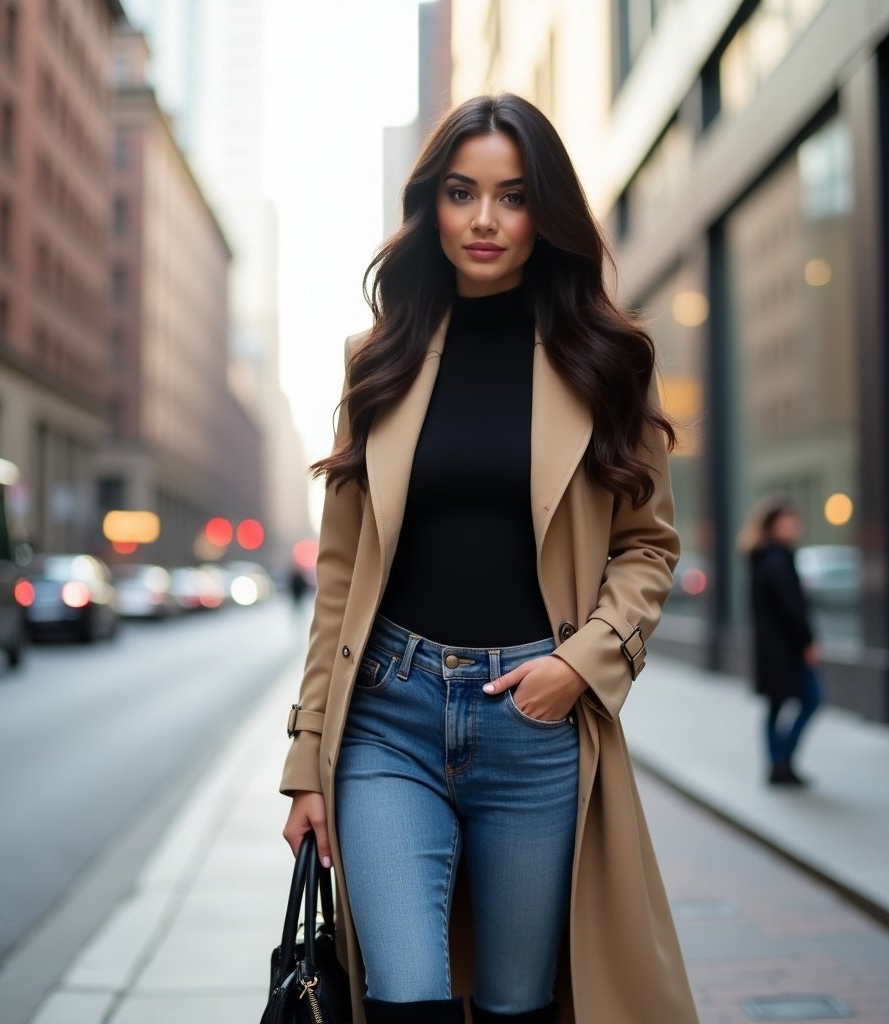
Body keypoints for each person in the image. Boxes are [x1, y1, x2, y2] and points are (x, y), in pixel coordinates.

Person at [280, 94, 698, 1024]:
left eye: (511, 197)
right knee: (404, 996)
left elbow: (648, 545)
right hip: (388, 714)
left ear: (543, 214)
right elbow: (340, 575)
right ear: (431, 205)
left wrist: (578, 667)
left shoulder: (611, 359)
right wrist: (308, 759)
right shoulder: (376, 361)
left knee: (519, 1001)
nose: (483, 220)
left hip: (535, 723)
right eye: (461, 192)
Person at [739, 496, 822, 786]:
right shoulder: (777, 560)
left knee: (776, 706)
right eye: (788, 521)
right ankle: (782, 762)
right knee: (812, 700)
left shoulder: (763, 557)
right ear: (772, 525)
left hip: (772, 649)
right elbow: (792, 609)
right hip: (786, 649)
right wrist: (808, 642)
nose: (794, 526)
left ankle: (777, 764)